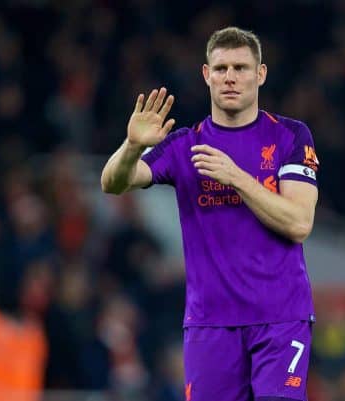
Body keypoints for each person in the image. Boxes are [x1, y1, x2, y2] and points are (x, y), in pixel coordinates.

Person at [101, 26, 319, 401]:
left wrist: (236, 177)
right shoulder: (185, 145)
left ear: (260, 74)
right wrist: (132, 146)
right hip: (210, 324)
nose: (230, 77)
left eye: (241, 67)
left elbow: (299, 223)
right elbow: (113, 182)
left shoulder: (291, 137)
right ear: (206, 75)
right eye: (221, 69)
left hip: (281, 318)